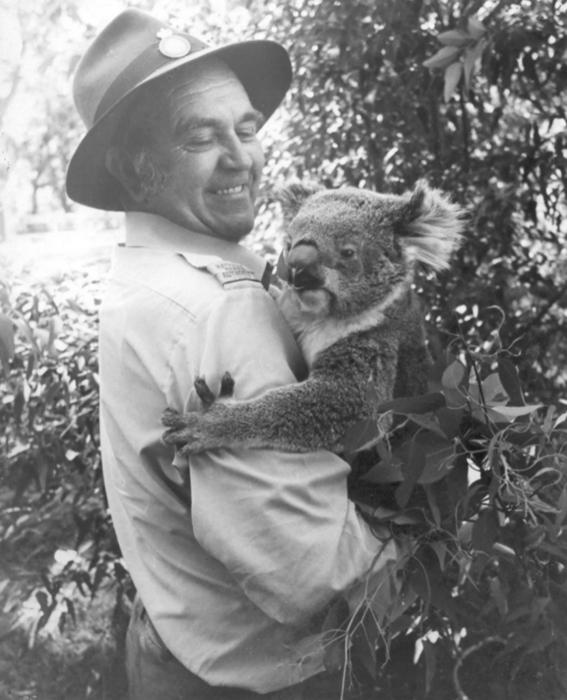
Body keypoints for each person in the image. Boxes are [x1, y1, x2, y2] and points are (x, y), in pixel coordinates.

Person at [66, 9, 399, 700]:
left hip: (173, 637)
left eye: (245, 129)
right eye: (200, 136)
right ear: (136, 167)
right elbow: (308, 565)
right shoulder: (219, 307)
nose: (240, 157)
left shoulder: (146, 271)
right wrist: (422, 554)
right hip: (261, 677)